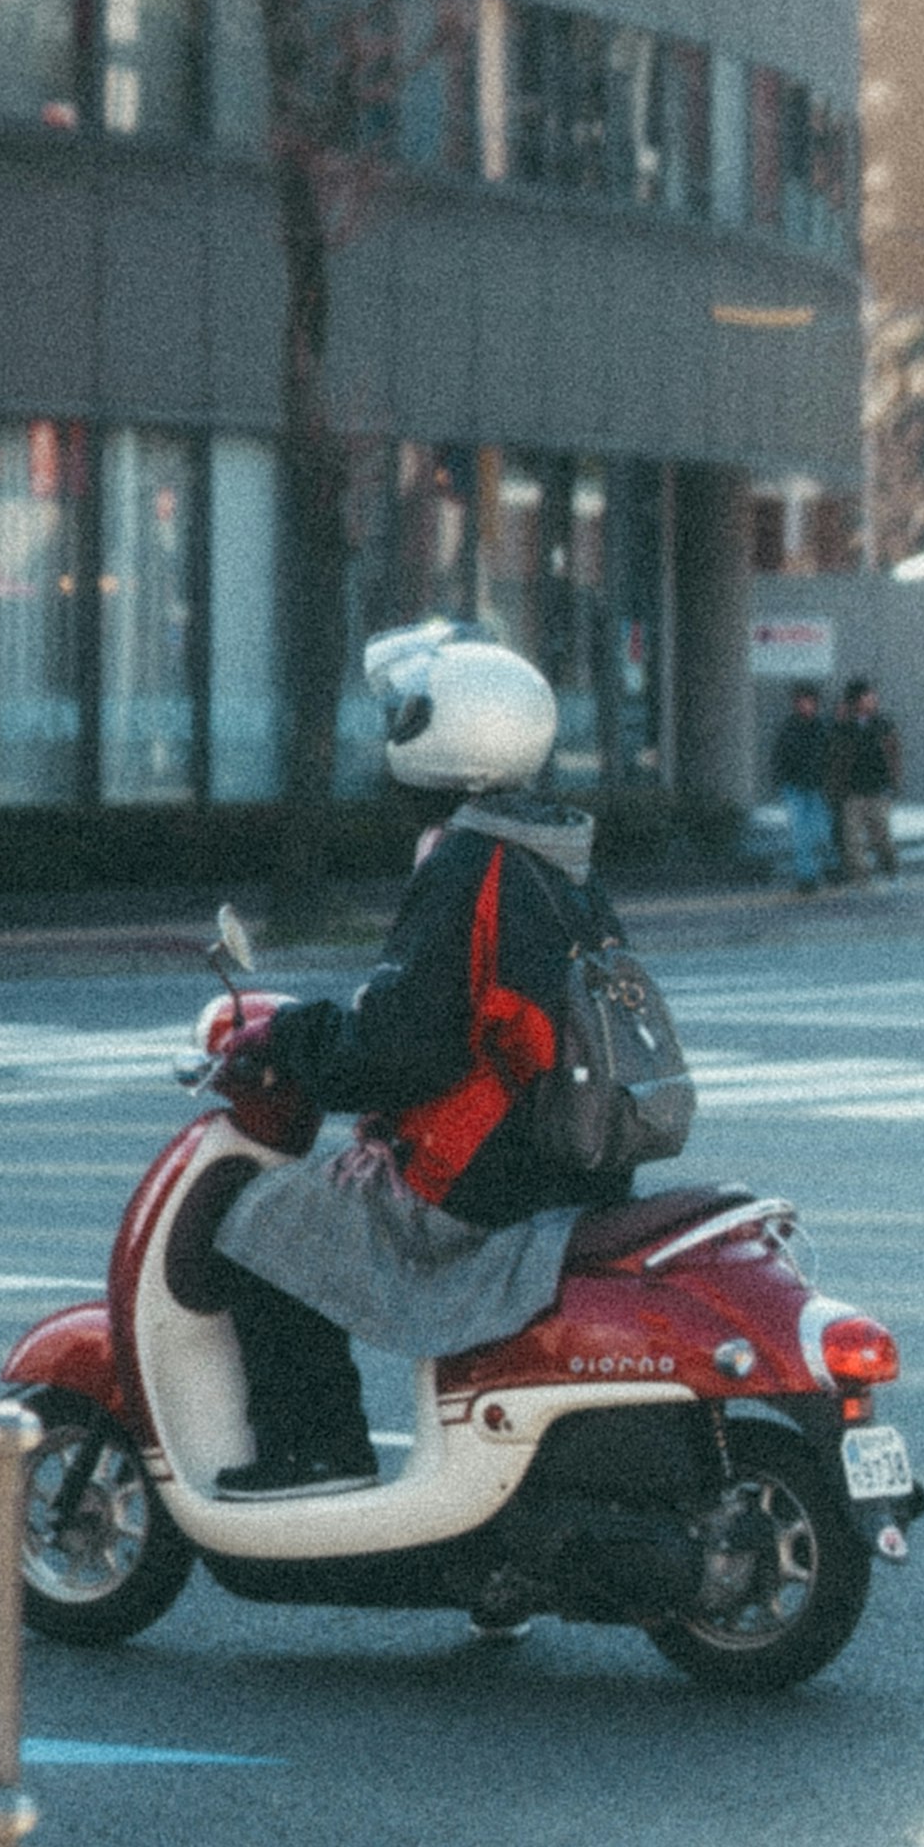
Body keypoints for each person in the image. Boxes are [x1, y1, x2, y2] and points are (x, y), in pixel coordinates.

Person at [205, 626, 626, 1498]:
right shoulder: (558, 854)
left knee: (260, 1223)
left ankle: (317, 1453)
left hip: (485, 1182)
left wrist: (288, 1039)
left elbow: (399, 1050)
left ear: (441, 732)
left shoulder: (467, 865)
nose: (392, 730)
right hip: (563, 1161)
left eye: (405, 714)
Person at [770, 673, 839, 891]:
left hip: (818, 787)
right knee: (800, 834)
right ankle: (806, 877)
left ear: (815, 703)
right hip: (795, 786)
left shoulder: (824, 727)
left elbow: (834, 757)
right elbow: (779, 756)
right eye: (800, 701)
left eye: (808, 701)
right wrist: (780, 779)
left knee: (822, 831)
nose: (804, 705)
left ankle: (832, 866)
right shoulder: (789, 727)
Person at [835, 675, 904, 885]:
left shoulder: (884, 724)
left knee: (882, 838)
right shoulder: (844, 726)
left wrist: (895, 784)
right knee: (853, 840)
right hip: (852, 791)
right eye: (868, 696)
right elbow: (835, 758)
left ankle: (891, 870)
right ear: (856, 701)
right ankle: (860, 877)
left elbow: (894, 756)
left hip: (878, 790)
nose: (873, 699)